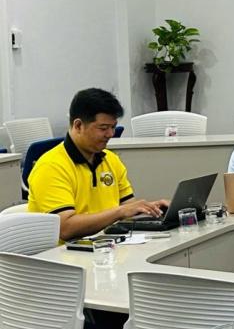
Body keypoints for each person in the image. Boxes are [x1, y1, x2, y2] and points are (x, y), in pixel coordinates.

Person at [28, 88, 167, 242]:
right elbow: (65, 228)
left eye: (113, 127)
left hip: (107, 248)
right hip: (64, 257)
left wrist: (152, 208)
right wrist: (120, 212)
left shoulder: (111, 160)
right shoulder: (51, 166)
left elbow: (128, 207)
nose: (110, 134)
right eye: (103, 128)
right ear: (78, 126)